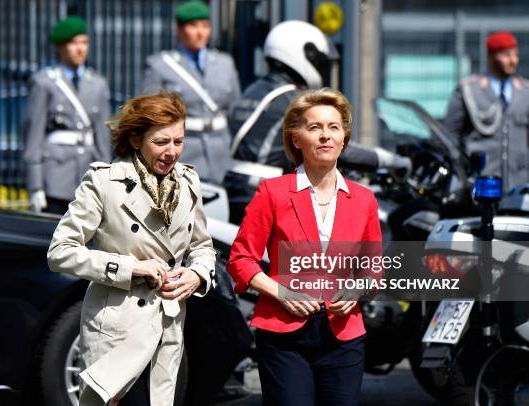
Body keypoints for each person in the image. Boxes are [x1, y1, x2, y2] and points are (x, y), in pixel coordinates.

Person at [47, 92, 216, 406]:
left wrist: (196, 274)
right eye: (161, 142)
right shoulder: (103, 183)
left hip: (167, 328)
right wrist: (130, 268)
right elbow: (60, 251)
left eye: (179, 142)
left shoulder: (189, 183)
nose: (171, 152)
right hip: (117, 330)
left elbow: (203, 247)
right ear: (136, 139)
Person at [227, 89, 381, 406]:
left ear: (344, 138)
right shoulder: (273, 192)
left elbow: (373, 270)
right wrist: (282, 292)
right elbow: (241, 260)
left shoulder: (364, 199)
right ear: (296, 139)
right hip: (284, 336)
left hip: (343, 336)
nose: (325, 136)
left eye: (334, 127)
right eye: (314, 128)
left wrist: (354, 290)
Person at [225, 20, 410, 224]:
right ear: (305, 54)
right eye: (320, 61)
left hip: (238, 188)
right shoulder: (293, 99)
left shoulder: (256, 89)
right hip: (265, 195)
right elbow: (330, 145)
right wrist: (388, 160)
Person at [141, 0, 241, 183]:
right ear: (179, 29)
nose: (200, 32)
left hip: (221, 154)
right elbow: (150, 117)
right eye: (194, 26)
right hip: (184, 153)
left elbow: (234, 111)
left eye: (205, 26)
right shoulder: (160, 66)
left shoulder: (225, 63)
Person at [23, 16, 112, 214]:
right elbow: (33, 136)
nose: (80, 49)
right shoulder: (44, 81)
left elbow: (102, 138)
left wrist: (106, 176)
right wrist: (35, 185)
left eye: (84, 42)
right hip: (55, 177)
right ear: (60, 47)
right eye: (73, 43)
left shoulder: (97, 84)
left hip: (88, 176)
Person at [443, 30, 528, 191]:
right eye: (506, 55)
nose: (513, 61)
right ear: (491, 57)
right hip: (481, 184)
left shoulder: (525, 92)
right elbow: (450, 135)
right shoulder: (469, 90)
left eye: (515, 55)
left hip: (518, 184)